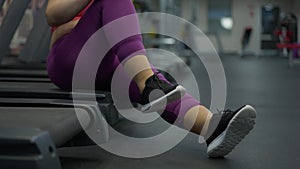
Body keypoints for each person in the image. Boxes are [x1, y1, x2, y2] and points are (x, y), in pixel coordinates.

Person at [46, 0, 256, 158]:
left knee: (159, 89)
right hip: (68, 62)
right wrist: (76, 26)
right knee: (148, 79)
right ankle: (148, 81)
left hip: (107, 63)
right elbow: (53, 15)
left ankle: (210, 127)